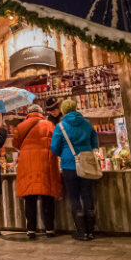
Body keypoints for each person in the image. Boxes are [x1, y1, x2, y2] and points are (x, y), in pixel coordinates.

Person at [51, 99, 98, 241]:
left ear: (64, 111)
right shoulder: (87, 123)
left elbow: (54, 148)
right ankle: (90, 230)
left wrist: (64, 155)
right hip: (86, 163)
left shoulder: (61, 126)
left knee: (74, 197)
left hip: (69, 166)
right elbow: (95, 142)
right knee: (87, 195)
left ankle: (81, 231)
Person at [13, 104, 62, 239]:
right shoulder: (49, 125)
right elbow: (55, 143)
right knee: (47, 196)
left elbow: (16, 145)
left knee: (30, 198)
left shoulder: (20, 127)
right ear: (41, 113)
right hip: (45, 163)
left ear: (28, 113)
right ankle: (50, 229)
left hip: (27, 165)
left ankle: (31, 230)